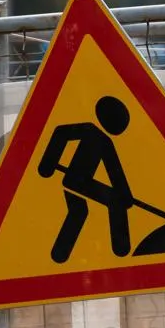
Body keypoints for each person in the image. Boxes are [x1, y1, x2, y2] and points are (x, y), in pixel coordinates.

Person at [39, 95, 137, 262]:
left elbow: (115, 172)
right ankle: (121, 248)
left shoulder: (104, 141)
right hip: (77, 180)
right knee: (107, 203)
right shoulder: (90, 130)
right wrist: (47, 164)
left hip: (79, 181)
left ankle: (60, 256)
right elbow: (60, 134)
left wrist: (125, 195)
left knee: (80, 211)